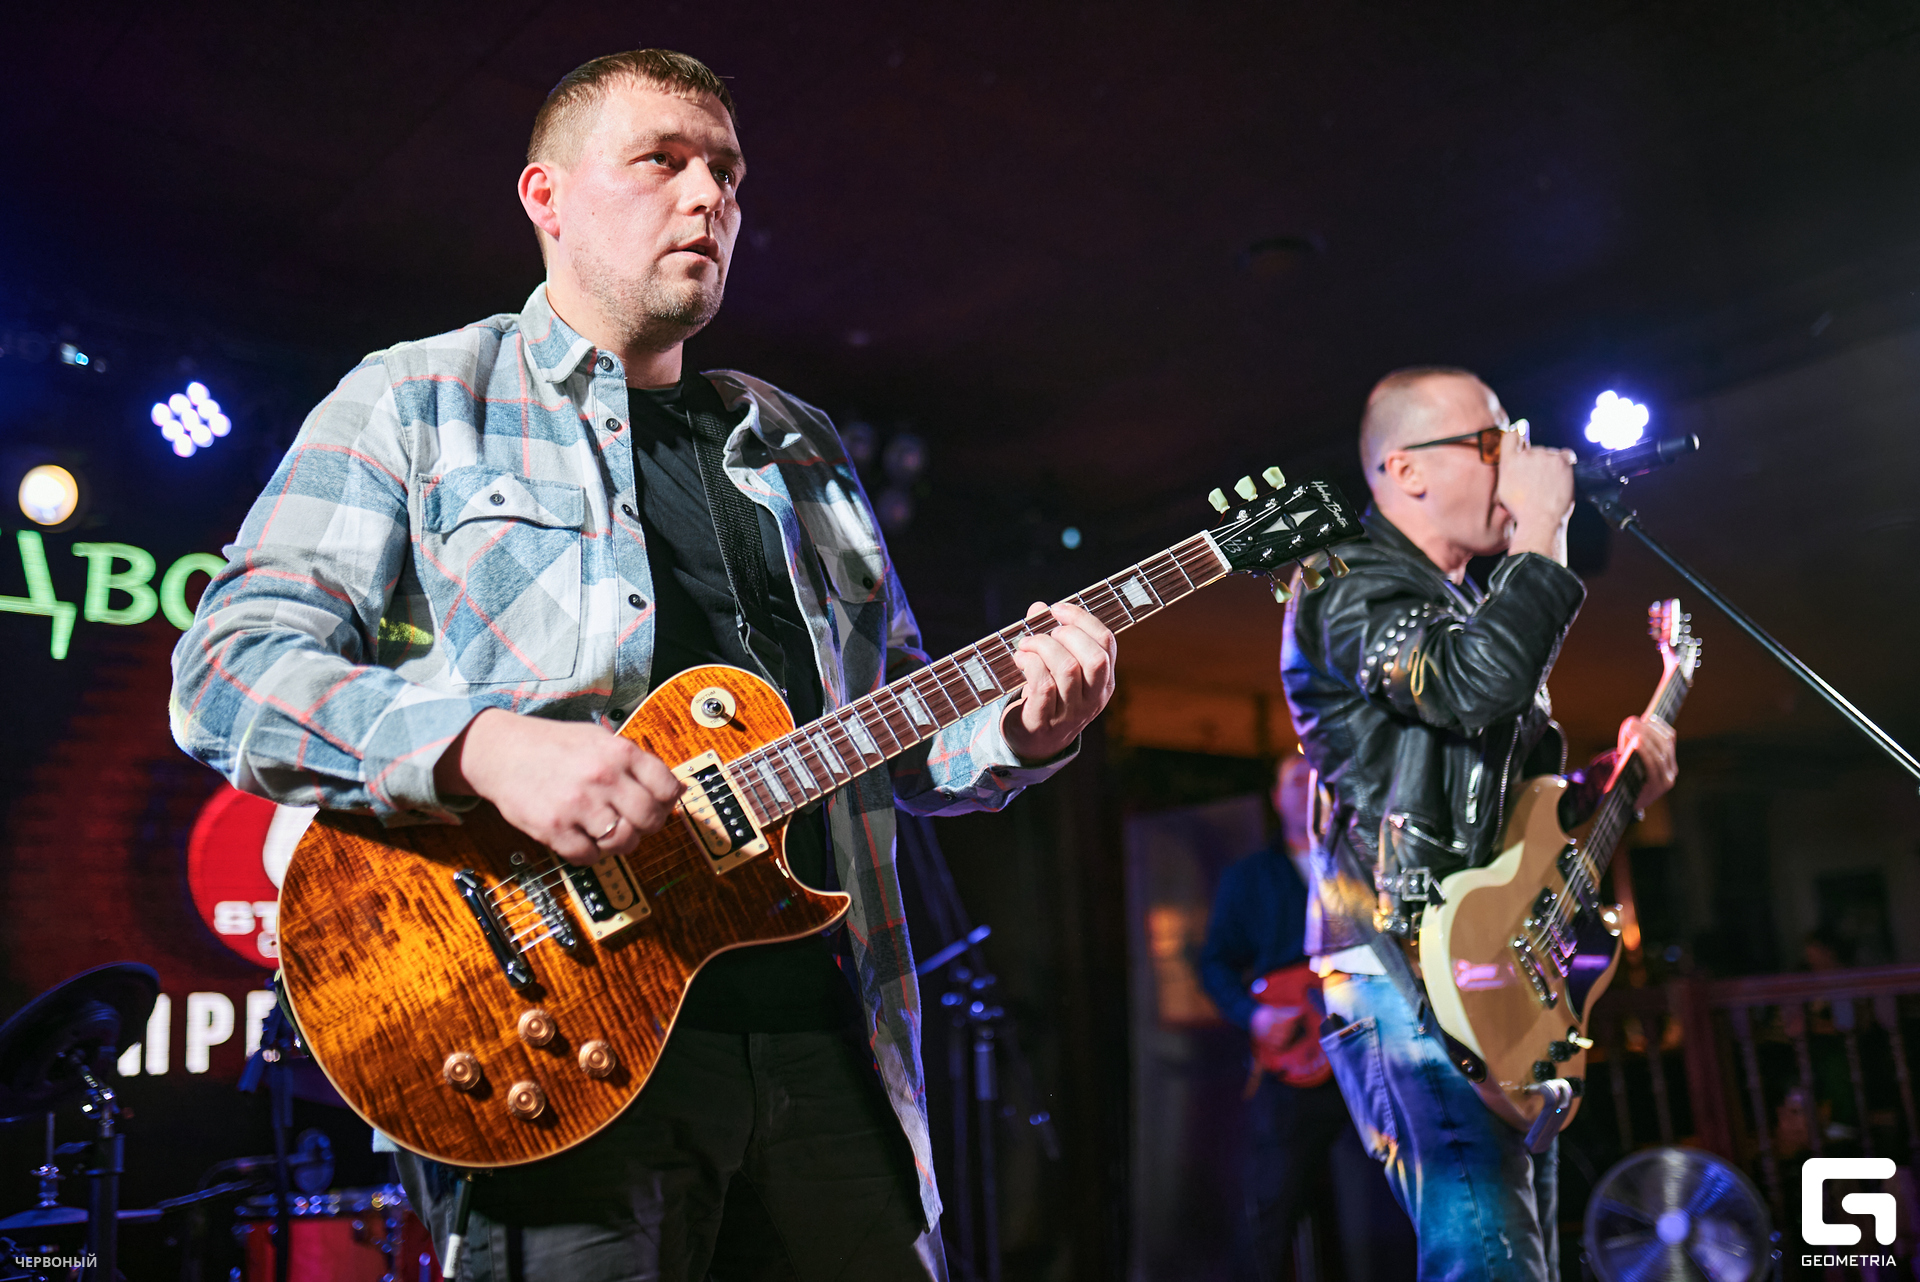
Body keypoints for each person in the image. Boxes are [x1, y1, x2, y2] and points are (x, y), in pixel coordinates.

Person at [169, 49, 1116, 1281]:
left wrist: (1020, 733)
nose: (708, 197)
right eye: (661, 161)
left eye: (727, 174)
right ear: (546, 196)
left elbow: (893, 731)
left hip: (826, 1034)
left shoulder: (798, 447)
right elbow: (229, 669)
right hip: (553, 1043)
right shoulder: (418, 396)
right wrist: (485, 747)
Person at [1279, 367, 1679, 1281]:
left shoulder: (1465, 606)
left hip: (1486, 964)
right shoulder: (1343, 578)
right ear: (1406, 469)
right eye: (1494, 441)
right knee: (1490, 1260)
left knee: (1521, 1262)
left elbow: (1503, 815)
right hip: (1403, 968)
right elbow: (1465, 685)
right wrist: (1543, 536)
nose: (1518, 460)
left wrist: (1616, 787)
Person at [1198, 754, 1417, 1281]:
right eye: (1295, 781)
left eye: (1316, 780)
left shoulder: (1364, 865)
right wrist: (1253, 1016)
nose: (1308, 790)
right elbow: (1215, 962)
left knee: (1386, 1201)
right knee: (1272, 1209)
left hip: (1371, 1053)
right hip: (1297, 1067)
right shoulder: (1249, 877)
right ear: (1276, 798)